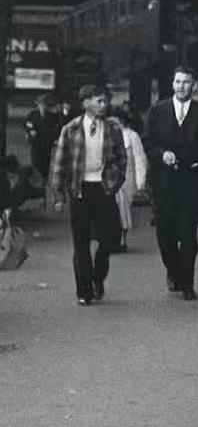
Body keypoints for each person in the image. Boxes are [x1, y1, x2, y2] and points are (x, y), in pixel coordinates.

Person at [144, 66, 198, 301]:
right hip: (164, 184)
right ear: (172, 84)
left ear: (193, 85)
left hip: (192, 184)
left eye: (186, 82)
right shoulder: (157, 111)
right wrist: (161, 154)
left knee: (187, 234)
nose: (181, 86)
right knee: (165, 234)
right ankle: (173, 270)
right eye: (177, 81)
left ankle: (187, 283)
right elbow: (149, 143)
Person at [48, 84, 127, 305]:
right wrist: (58, 196)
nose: (104, 105)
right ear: (86, 103)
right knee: (81, 242)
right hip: (79, 189)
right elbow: (59, 164)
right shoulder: (71, 129)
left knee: (110, 239)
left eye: (105, 101)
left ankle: (97, 277)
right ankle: (84, 291)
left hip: (103, 188)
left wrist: (115, 182)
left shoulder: (112, 128)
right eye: (99, 101)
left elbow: (122, 159)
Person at [114, 106, 148, 252]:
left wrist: (141, 182)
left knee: (124, 209)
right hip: (110, 179)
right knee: (113, 209)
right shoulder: (107, 135)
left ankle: (123, 240)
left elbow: (140, 159)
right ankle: (113, 240)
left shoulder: (132, 136)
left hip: (128, 179)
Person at [24, 93, 63, 185]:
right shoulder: (33, 115)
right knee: (35, 161)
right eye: (40, 104)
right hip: (35, 143)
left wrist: (55, 138)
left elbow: (57, 129)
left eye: (44, 104)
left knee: (46, 162)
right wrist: (30, 132)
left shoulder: (53, 116)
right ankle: (36, 181)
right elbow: (27, 124)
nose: (42, 106)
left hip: (46, 143)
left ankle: (44, 181)